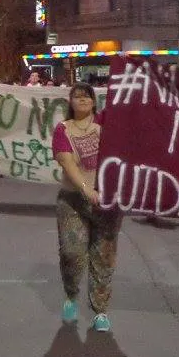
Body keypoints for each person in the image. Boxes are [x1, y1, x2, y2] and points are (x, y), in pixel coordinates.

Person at [51, 83, 121, 332]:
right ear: (69, 102)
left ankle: (100, 311)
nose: (81, 99)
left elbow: (131, 108)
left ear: (94, 101)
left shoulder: (106, 123)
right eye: (76, 96)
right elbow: (67, 162)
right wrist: (86, 189)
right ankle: (71, 293)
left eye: (86, 95)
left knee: (104, 256)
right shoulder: (63, 130)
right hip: (73, 201)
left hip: (108, 202)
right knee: (72, 253)